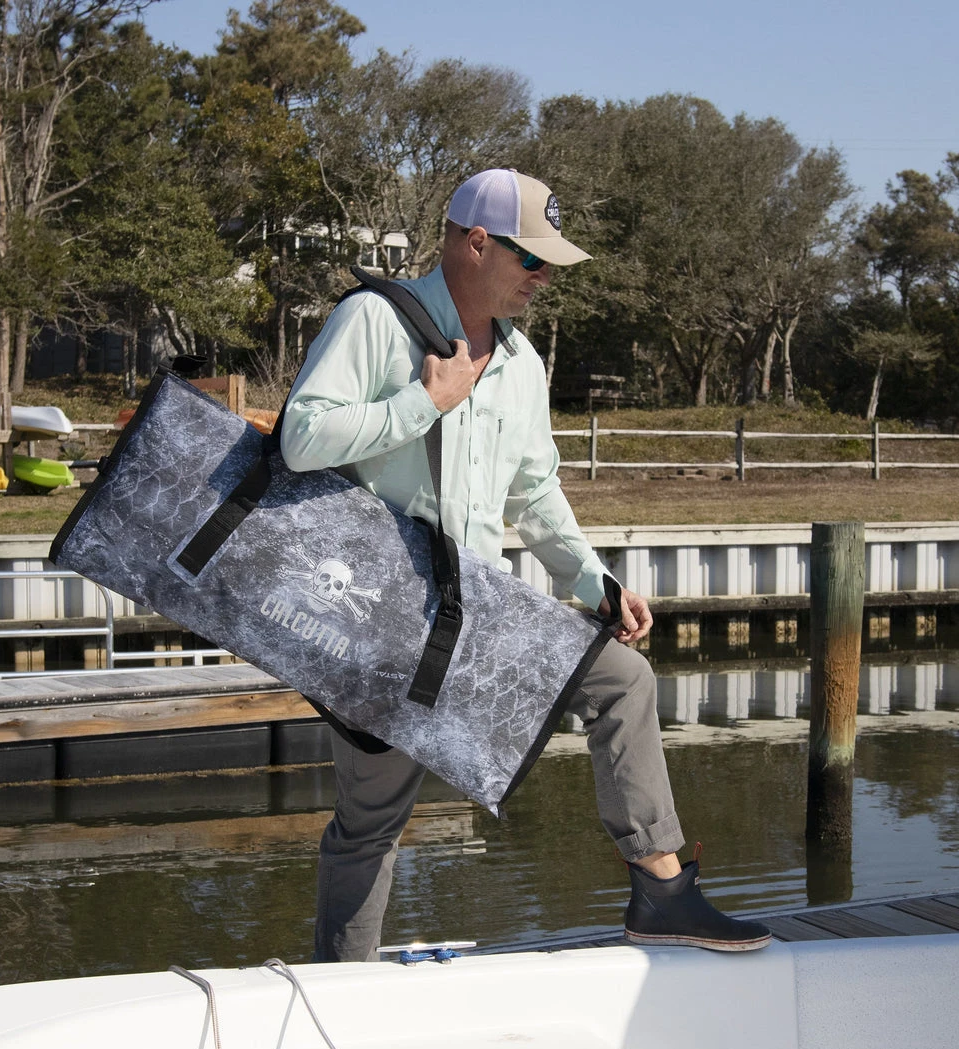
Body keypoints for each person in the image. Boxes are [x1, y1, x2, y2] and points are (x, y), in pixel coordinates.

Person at [281, 168, 772, 960]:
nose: (545, 279)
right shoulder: (373, 319)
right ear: (477, 243)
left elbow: (535, 493)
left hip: (476, 611)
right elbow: (300, 439)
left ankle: (661, 890)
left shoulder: (522, 363)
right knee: (371, 822)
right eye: (533, 260)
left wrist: (595, 582)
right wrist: (424, 403)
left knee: (623, 678)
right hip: (381, 621)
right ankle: (340, 984)